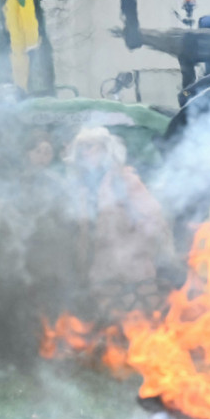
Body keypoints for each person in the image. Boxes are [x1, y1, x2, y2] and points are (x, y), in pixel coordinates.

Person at [64, 126, 171, 317]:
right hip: (100, 272)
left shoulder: (124, 180)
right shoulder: (81, 187)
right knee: (108, 325)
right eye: (80, 148)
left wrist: (138, 251)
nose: (84, 152)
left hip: (134, 271)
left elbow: (154, 219)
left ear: (106, 149)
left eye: (90, 146)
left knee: (140, 323)